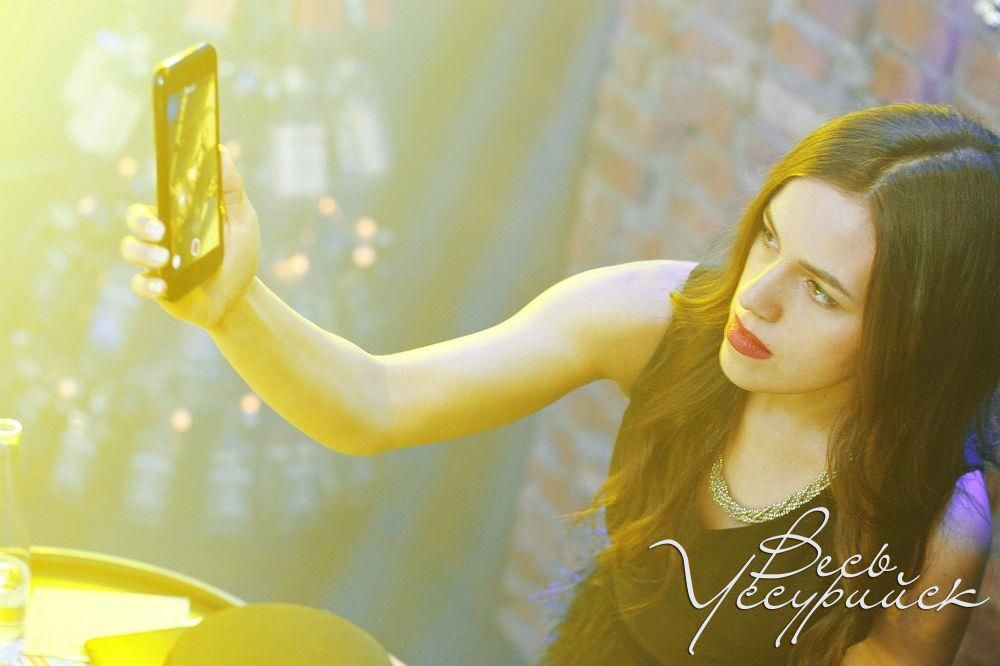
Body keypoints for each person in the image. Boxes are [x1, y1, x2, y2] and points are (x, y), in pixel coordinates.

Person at [119, 102, 999, 665]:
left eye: (821, 290)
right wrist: (234, 307)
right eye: (769, 236)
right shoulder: (658, 314)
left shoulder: (937, 525)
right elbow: (375, 405)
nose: (757, 297)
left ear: (912, 340)